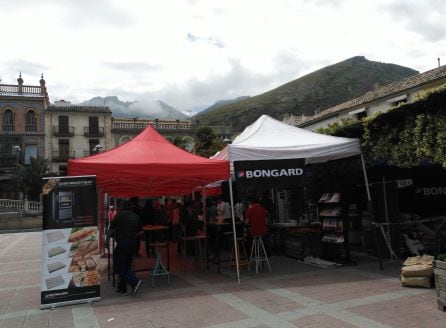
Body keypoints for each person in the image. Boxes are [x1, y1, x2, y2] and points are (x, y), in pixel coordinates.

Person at [109, 200, 143, 296]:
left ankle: (134, 281)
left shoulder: (120, 215)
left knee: (119, 264)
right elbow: (141, 231)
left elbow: (112, 227)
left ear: (122, 206)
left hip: (123, 242)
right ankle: (123, 288)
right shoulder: (135, 216)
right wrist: (134, 235)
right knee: (127, 265)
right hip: (133, 243)